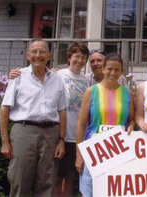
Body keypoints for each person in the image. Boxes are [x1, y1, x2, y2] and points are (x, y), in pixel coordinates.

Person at [0, 38, 68, 197]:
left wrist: (61, 140)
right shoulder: (18, 77)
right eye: (34, 52)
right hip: (24, 132)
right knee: (19, 180)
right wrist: (5, 142)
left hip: (51, 134)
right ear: (28, 55)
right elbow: (4, 109)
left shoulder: (57, 79)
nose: (38, 55)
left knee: (47, 183)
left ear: (49, 56)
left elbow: (62, 111)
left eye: (42, 52)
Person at [75, 53, 135, 197]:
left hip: (118, 150)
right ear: (103, 69)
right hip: (94, 151)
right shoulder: (92, 91)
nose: (112, 73)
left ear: (121, 72)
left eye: (117, 70)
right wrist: (79, 155)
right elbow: (81, 124)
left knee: (114, 192)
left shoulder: (127, 93)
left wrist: (132, 126)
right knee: (89, 193)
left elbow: (131, 119)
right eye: (109, 69)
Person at [53, 42, 90, 197]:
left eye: (83, 58)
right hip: (62, 134)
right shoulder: (58, 75)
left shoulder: (87, 80)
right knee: (57, 176)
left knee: (70, 176)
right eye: (76, 56)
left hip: (79, 136)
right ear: (69, 57)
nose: (79, 60)